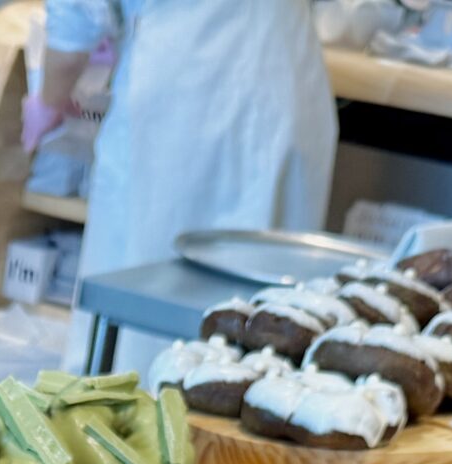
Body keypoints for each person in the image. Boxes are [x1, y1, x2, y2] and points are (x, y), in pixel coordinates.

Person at [27, 0, 336, 371]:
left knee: (147, 302)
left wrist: (46, 103)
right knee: (261, 322)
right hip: (288, 81)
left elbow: (74, 22)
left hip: (181, 97)